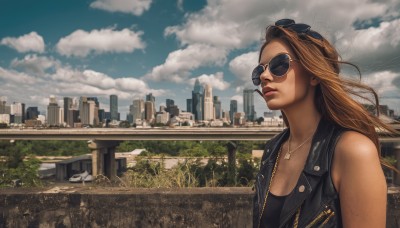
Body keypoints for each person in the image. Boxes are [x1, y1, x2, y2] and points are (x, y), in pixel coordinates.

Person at [252, 19, 397, 228]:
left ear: (313, 74)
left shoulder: (353, 150)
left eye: (279, 65)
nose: (265, 76)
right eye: (259, 71)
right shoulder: (273, 150)